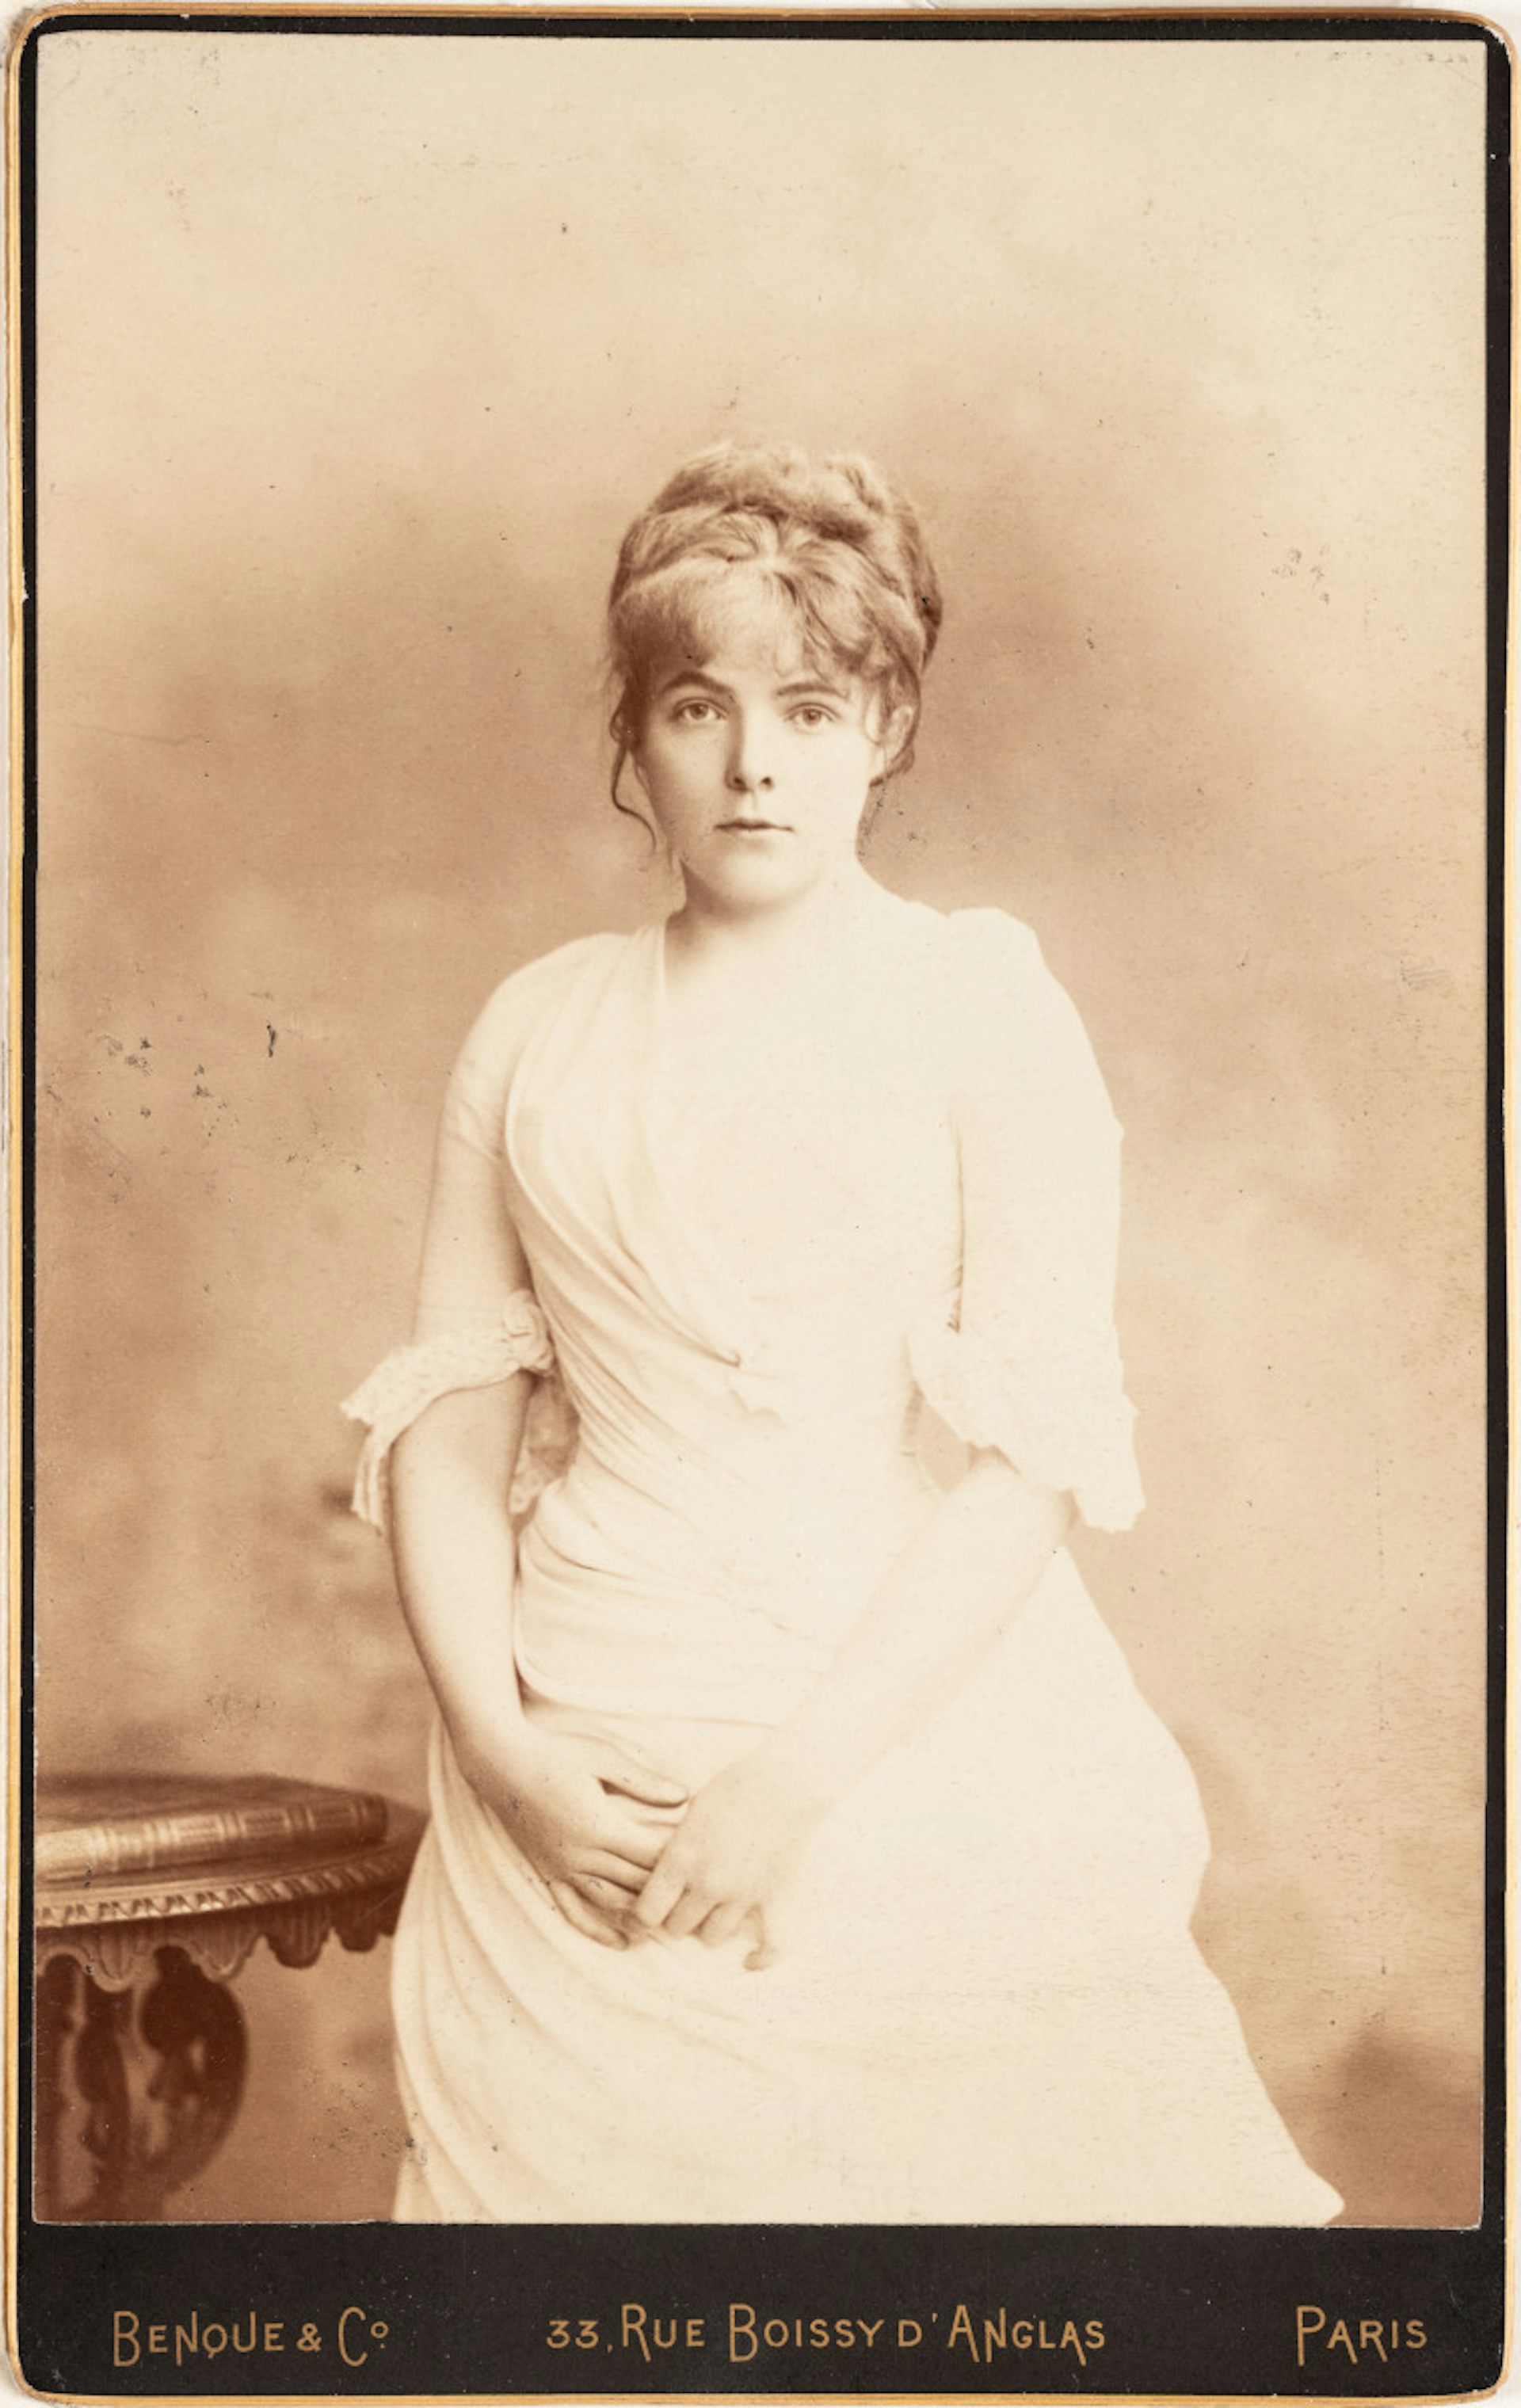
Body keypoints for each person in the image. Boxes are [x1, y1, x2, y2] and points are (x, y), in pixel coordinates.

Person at [342, 443, 1341, 2224]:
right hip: (576, 1755)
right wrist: (505, 1754)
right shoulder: (537, 1027)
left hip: (892, 1722)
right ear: (635, 739)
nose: (754, 762)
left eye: (808, 708)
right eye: (698, 707)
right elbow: (451, 1424)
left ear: (884, 726)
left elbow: (1031, 1459)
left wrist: (795, 1782)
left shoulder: (978, 999)